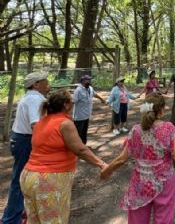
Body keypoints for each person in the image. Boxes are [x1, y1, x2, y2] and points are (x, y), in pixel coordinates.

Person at [100, 93, 175, 224]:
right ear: (162, 110)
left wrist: (108, 170)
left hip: (140, 184)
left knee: (137, 220)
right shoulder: (168, 128)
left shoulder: (135, 130)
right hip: (164, 183)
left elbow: (121, 159)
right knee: (163, 219)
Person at [19, 89, 107, 224]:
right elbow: (80, 149)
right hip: (48, 179)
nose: (73, 103)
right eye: (71, 101)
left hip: (28, 177)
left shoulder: (41, 122)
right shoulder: (64, 124)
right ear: (66, 105)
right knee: (53, 221)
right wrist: (101, 164)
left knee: (34, 220)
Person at [1, 72, 49, 224]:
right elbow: (36, 125)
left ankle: (21, 212)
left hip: (23, 140)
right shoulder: (34, 98)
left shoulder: (35, 97)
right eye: (45, 80)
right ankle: (10, 219)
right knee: (20, 181)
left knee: (26, 179)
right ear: (36, 84)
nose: (48, 82)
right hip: (25, 141)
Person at [73, 74, 106, 144]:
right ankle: (77, 146)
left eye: (89, 80)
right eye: (87, 80)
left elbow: (94, 94)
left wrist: (101, 99)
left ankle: (83, 144)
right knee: (78, 132)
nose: (89, 81)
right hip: (79, 116)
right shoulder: (78, 90)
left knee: (84, 131)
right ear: (82, 81)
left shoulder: (90, 88)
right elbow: (73, 101)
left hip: (87, 115)